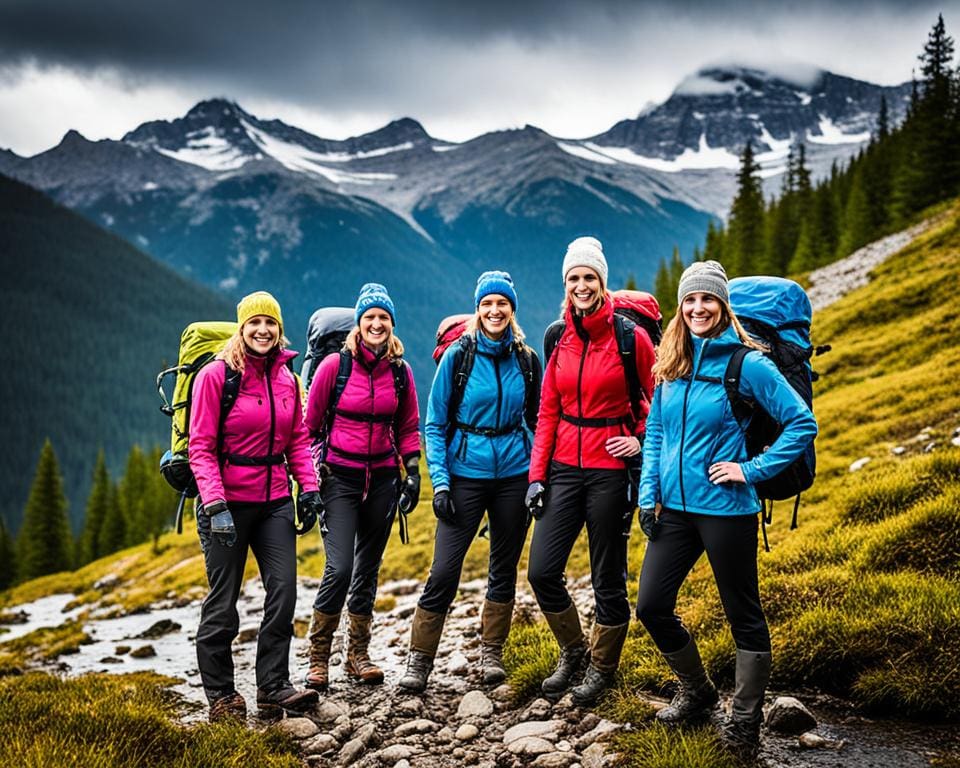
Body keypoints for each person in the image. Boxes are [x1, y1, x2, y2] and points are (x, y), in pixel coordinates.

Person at [635, 260, 817, 758]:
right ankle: (698, 692)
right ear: (681, 306)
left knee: (743, 615)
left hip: (726, 509)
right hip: (672, 509)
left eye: (707, 299)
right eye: (690, 300)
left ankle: (744, 722)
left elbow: (802, 425)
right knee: (651, 606)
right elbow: (656, 433)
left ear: (722, 306)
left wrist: (750, 470)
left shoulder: (748, 364)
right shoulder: (671, 360)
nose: (698, 308)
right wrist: (647, 492)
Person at [526, 237, 656, 706]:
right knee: (542, 571)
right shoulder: (556, 335)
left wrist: (639, 439)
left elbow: (657, 400)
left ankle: (602, 669)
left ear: (603, 283)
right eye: (574, 279)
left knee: (608, 577)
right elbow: (546, 411)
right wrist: (536, 476)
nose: (581, 286)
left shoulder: (630, 338)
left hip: (609, 470)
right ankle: (575, 651)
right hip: (562, 465)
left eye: (589, 278)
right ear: (566, 284)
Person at [400, 271, 542, 693]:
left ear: (512, 309)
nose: (495, 311)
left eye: (502, 304)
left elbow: (537, 421)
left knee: (503, 568)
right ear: (477, 310)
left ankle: (491, 653)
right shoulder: (457, 358)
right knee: (444, 570)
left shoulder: (527, 359)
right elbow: (435, 423)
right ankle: (419, 661)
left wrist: (537, 477)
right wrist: (440, 484)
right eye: (487, 304)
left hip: (514, 474)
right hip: (465, 475)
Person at [189, 290, 322, 723]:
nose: (263, 331)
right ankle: (222, 695)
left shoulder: (287, 379)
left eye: (270, 324)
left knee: (283, 591)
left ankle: (273, 686)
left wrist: (310, 487)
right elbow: (201, 448)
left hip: (274, 501)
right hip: (225, 504)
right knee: (223, 603)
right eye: (254, 324)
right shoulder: (215, 376)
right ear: (242, 329)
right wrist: (214, 504)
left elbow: (298, 440)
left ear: (279, 329)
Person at [303, 283, 421, 690]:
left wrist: (413, 470)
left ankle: (358, 655)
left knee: (367, 569)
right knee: (341, 567)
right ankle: (318, 659)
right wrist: (313, 472)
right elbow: (309, 426)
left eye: (383, 318)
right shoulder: (333, 368)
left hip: (385, 480)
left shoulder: (401, 372)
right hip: (340, 478)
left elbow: (407, 426)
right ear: (359, 323)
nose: (376, 324)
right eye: (369, 317)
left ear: (391, 324)